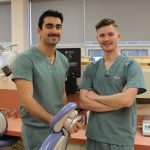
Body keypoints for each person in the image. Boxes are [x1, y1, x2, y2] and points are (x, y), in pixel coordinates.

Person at [12, 9, 79, 150]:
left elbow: (62, 94)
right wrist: (56, 121)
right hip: (36, 131)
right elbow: (26, 100)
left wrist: (66, 118)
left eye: (58, 27)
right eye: (49, 26)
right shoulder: (25, 59)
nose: (54, 31)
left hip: (59, 128)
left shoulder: (63, 60)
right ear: (39, 31)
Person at [79, 18, 147, 150]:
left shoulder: (131, 66)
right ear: (97, 38)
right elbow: (83, 102)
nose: (106, 39)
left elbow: (127, 100)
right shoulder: (91, 68)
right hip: (95, 136)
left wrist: (95, 96)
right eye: (102, 35)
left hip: (120, 138)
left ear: (118, 36)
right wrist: (118, 101)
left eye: (110, 34)